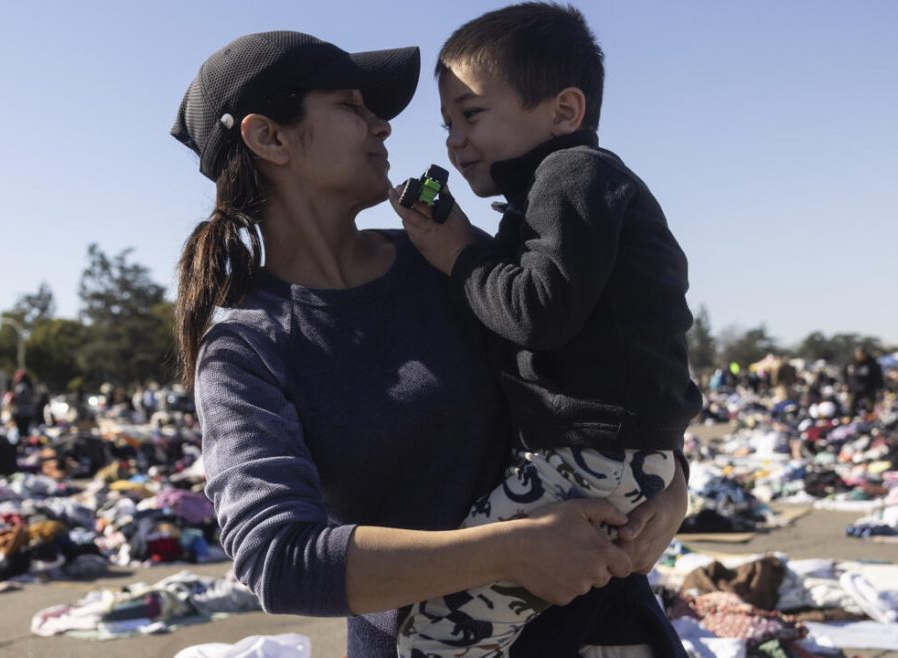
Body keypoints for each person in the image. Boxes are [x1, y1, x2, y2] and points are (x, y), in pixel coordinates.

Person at [170, 30, 689, 658]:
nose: (383, 126)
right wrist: (515, 548)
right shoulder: (248, 348)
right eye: (351, 107)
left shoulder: (446, 257)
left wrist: (670, 481)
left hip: (603, 629)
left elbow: (608, 367)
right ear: (268, 137)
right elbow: (279, 560)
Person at [390, 4, 701, 655]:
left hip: (586, 454)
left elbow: (537, 313)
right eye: (447, 123)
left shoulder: (573, 177)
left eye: (472, 114)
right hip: (604, 456)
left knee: (435, 639)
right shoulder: (557, 193)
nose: (454, 140)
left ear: (563, 110)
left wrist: (458, 251)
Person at [845, 347, 883, 417]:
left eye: (862, 355)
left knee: (870, 405)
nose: (860, 356)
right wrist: (845, 384)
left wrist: (880, 387)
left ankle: (869, 418)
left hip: (869, 387)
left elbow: (878, 376)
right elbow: (844, 373)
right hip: (854, 387)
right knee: (851, 405)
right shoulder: (851, 362)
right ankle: (851, 417)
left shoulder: (872, 363)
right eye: (859, 355)